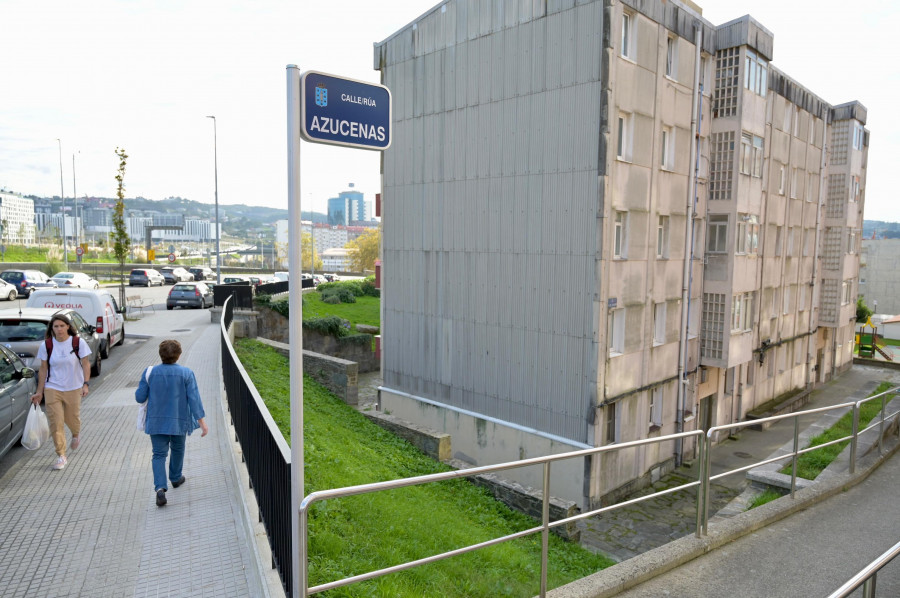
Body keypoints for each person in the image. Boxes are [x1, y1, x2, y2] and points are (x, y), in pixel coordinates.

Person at [136, 339, 208, 507]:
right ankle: (175, 478)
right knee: (178, 449)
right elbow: (194, 400)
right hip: (179, 421)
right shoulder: (186, 373)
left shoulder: (149, 372)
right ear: (179, 355)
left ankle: (160, 489)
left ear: (160, 355)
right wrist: (202, 423)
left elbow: (140, 397)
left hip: (156, 422)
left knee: (159, 455)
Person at [30, 313, 92, 471]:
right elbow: (43, 369)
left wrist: (85, 384)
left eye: (62, 326)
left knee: (72, 418)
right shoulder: (47, 345)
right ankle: (61, 455)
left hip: (73, 387)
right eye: (56, 326)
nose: (59, 329)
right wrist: (40, 392)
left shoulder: (78, 342)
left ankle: (76, 433)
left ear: (68, 327)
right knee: (56, 422)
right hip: (53, 387)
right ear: (52, 328)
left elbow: (86, 364)